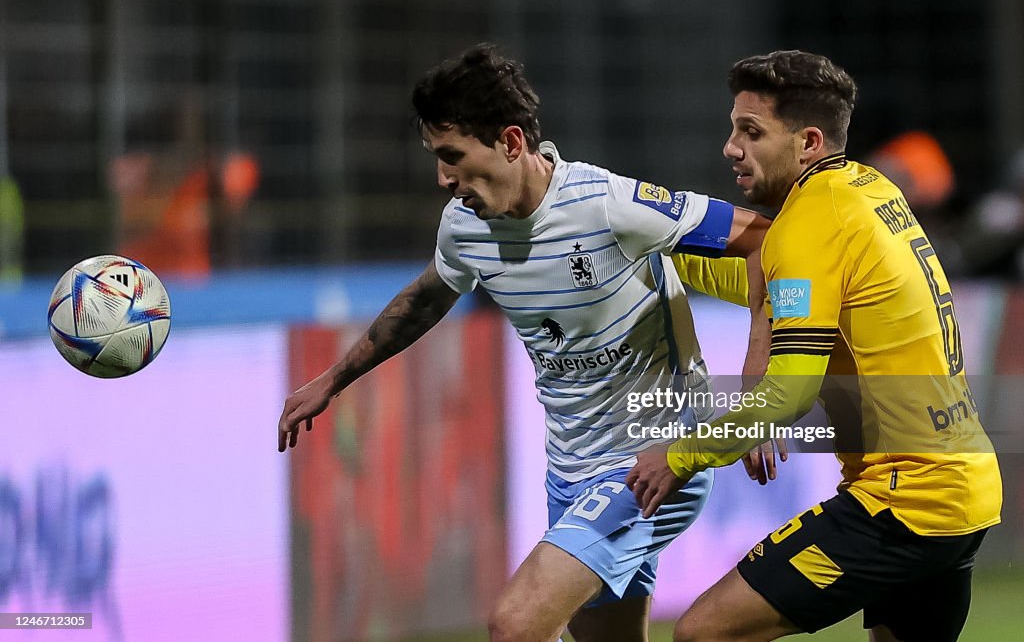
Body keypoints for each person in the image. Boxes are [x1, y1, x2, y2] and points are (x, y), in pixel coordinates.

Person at [278, 43, 774, 642]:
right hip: (569, 470)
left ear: (511, 143)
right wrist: (332, 380)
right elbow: (427, 297)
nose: (444, 178)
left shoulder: (608, 205)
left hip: (654, 461)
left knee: (514, 624)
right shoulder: (465, 226)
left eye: (453, 157)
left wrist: (758, 391)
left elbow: (765, 240)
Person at [626, 50, 1003, 642]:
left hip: (905, 501)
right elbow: (784, 287)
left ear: (806, 142)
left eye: (751, 131)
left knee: (704, 632)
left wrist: (679, 457)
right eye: (733, 128)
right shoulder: (865, 190)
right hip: (965, 489)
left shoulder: (809, 221)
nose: (731, 147)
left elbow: (791, 392)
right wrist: (660, 256)